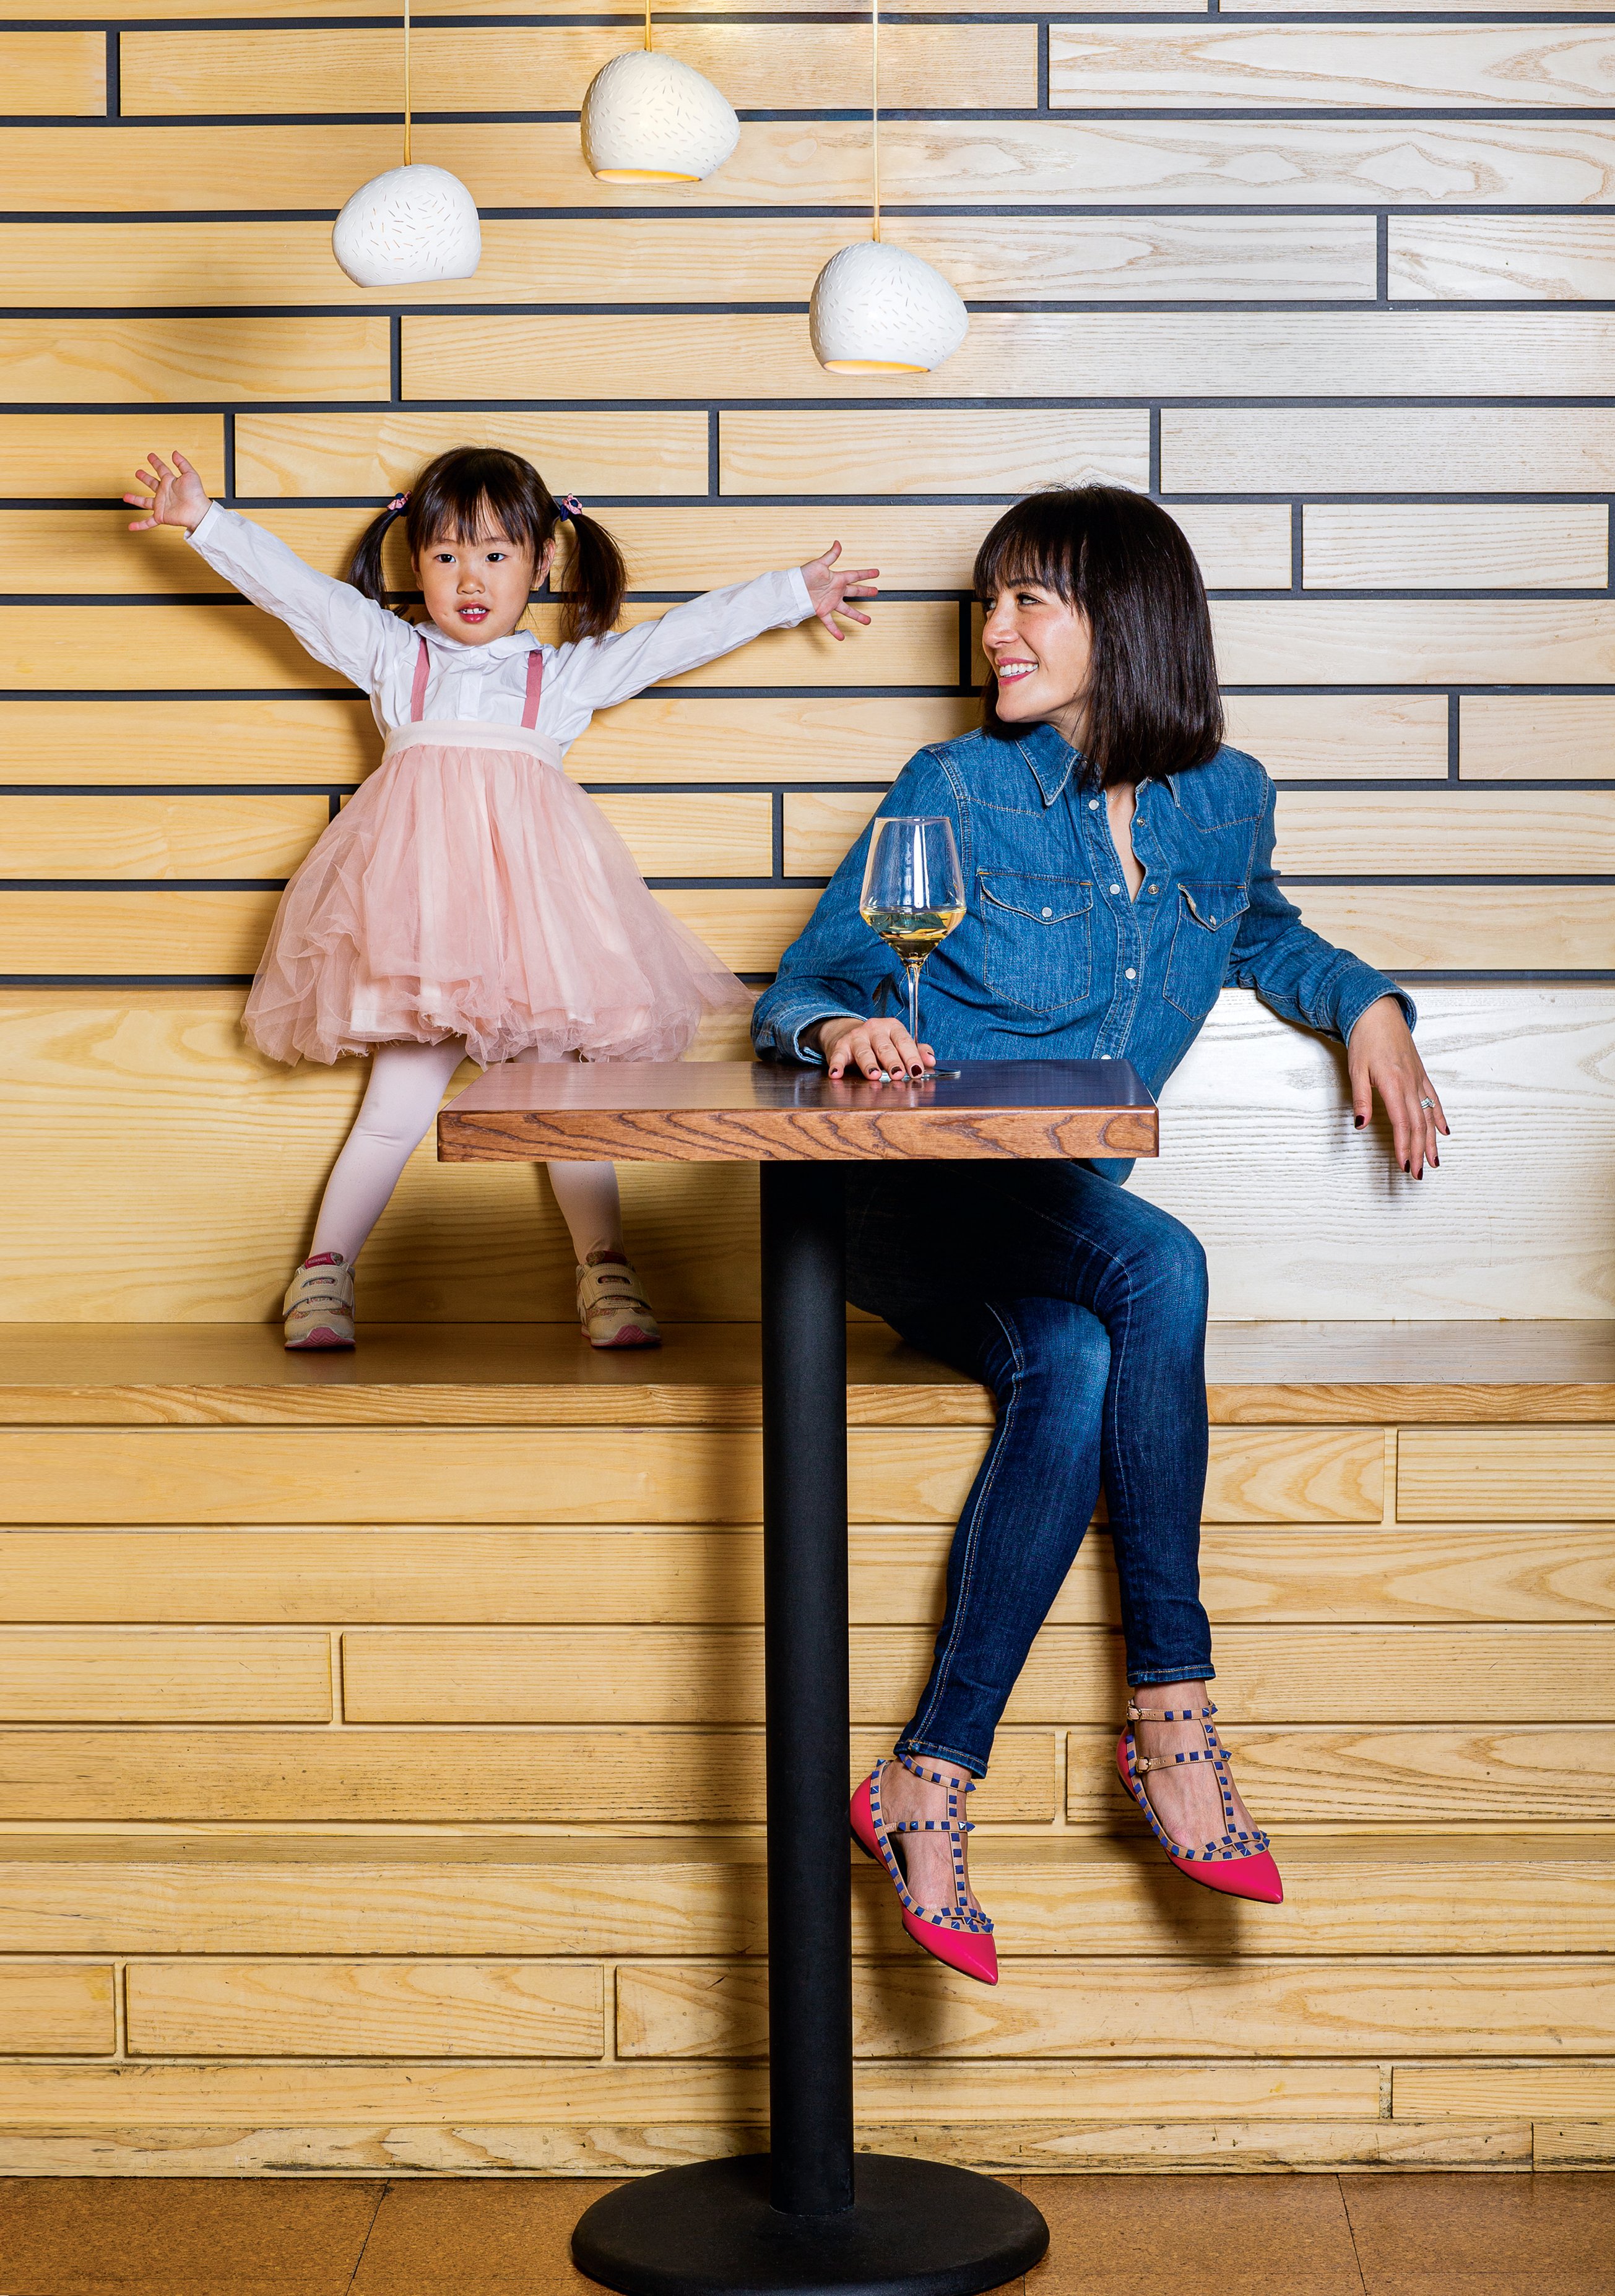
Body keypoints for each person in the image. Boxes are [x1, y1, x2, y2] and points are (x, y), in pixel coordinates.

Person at [751, 485, 1447, 1986]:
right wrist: (853, 1025)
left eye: (1032, 601)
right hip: (907, 1204)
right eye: (988, 599)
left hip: (1058, 1233)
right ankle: (1177, 1715)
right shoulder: (955, 783)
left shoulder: (1226, 791)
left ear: (1128, 620)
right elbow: (798, 986)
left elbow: (1259, 928)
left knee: (1071, 1360)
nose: (992, 630)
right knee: (1165, 1263)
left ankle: (925, 1783)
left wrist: (1368, 1000)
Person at [126, 444, 877, 1350]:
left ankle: (603, 1270)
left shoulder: (554, 681)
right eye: (444, 555)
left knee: (562, 1110)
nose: (469, 577)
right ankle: (323, 1276)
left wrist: (791, 592)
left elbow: (675, 638)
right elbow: (299, 593)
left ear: (543, 562)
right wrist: (207, 522)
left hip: (537, 940)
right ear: (414, 565)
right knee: (395, 1109)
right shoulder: (394, 658)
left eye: (494, 554)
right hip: (422, 935)